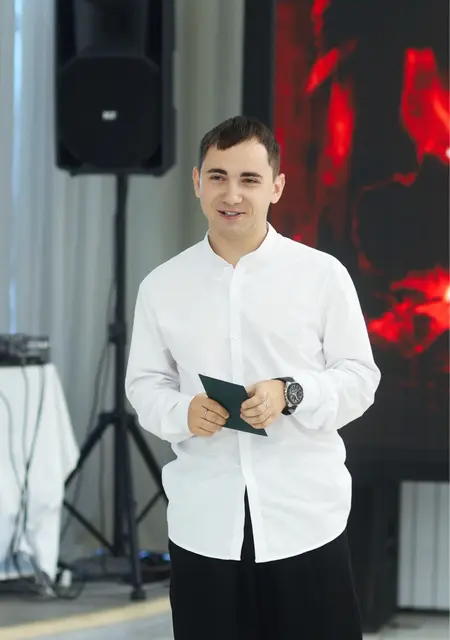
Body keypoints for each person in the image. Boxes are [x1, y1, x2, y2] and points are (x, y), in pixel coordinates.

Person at [125, 116, 381, 640]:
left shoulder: (322, 275)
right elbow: (144, 384)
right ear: (197, 182)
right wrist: (182, 411)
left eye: (249, 179)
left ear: (276, 187)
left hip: (305, 520)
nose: (232, 194)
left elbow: (359, 378)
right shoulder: (162, 286)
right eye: (218, 177)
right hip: (204, 525)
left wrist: (292, 392)